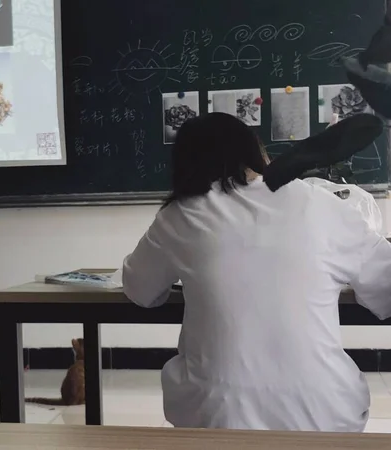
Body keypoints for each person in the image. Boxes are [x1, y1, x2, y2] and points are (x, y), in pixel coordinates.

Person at [121, 112, 391, 432]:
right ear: (255, 151)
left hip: (214, 417)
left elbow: (140, 291)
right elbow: (385, 287)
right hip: (325, 415)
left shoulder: (180, 215)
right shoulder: (321, 202)